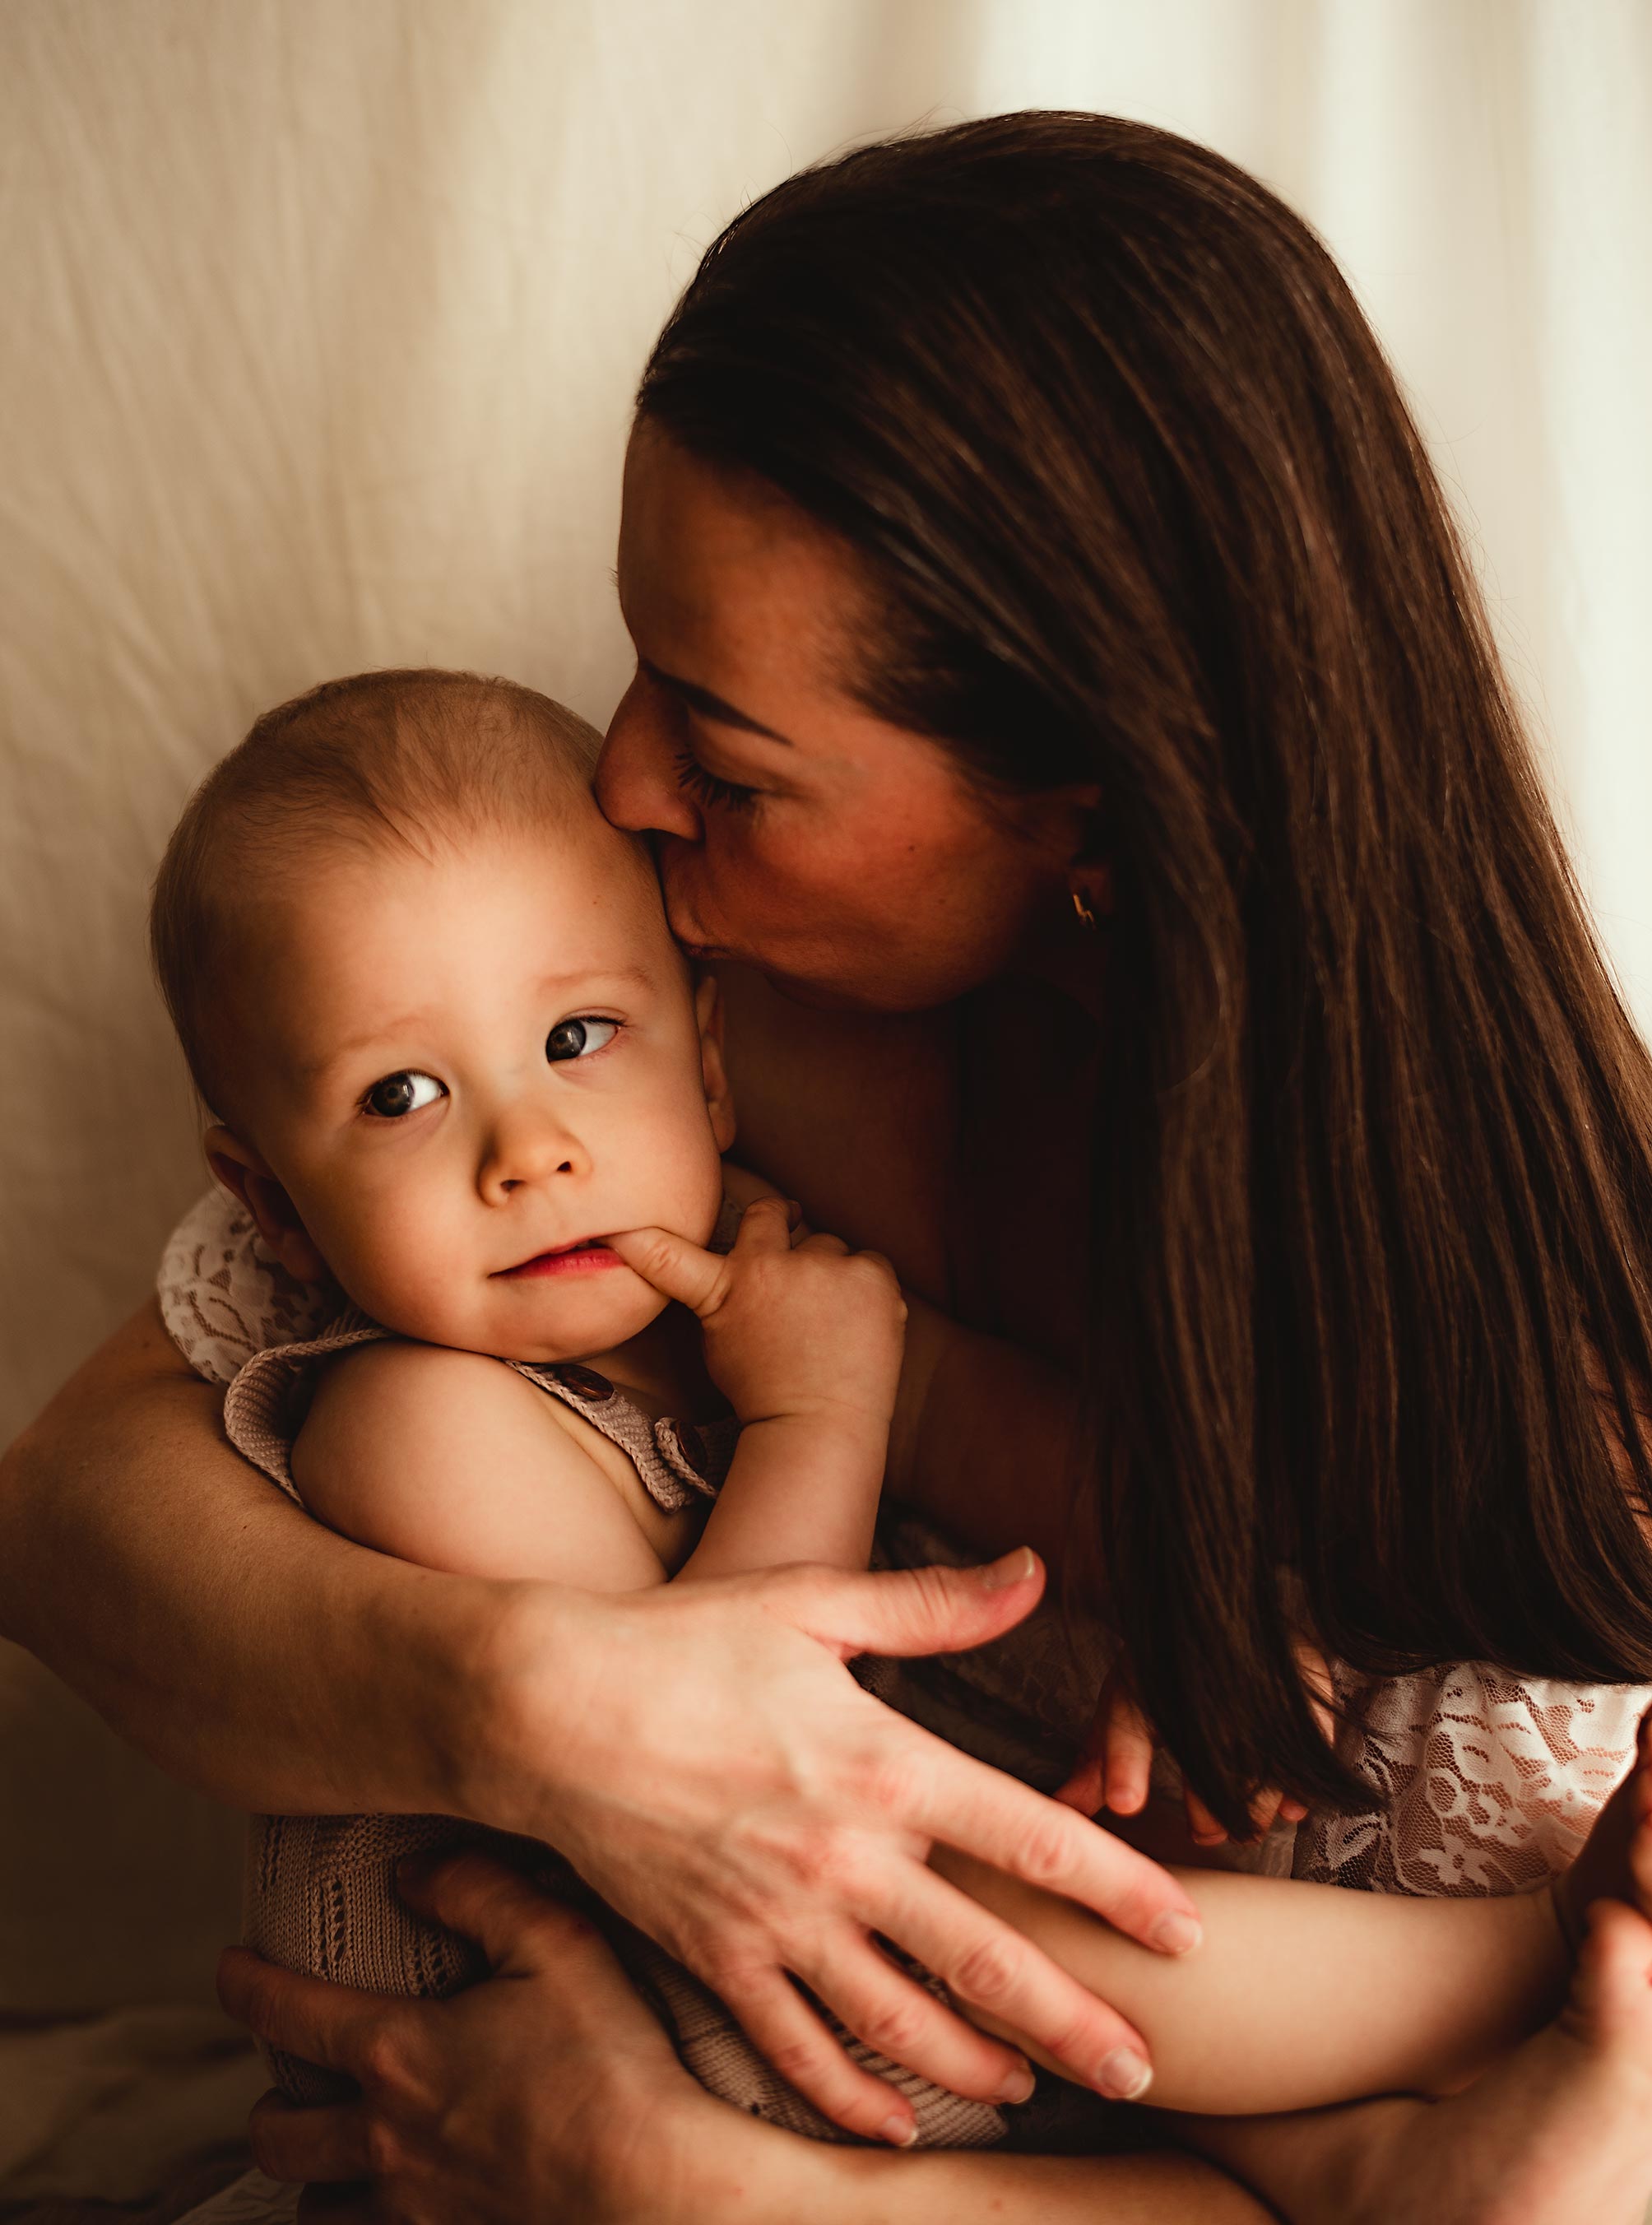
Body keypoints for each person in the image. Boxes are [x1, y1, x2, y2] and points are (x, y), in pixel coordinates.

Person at [7, 112, 1652, 2220]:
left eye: (726, 744)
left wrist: (687, 2185)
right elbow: (63, 1514)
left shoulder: (1546, 1351)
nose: (617, 781)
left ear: (1090, 812)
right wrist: (546, 1707)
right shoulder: (669, 1032)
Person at [141, 662, 1641, 2184]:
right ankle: (1526, 1972)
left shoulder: (752, 1282)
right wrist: (817, 1413)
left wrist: (1207, 1627)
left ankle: (1375, 2164)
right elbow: (730, 1762)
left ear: (713, 1064)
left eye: (580, 1040)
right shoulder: (415, 1420)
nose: (529, 1151)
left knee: (1067, 1868)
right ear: (271, 1202)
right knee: (1028, 1914)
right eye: (401, 1093)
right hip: (645, 2007)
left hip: (808, 2025)